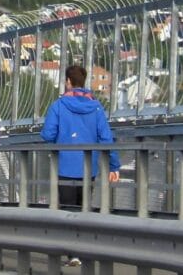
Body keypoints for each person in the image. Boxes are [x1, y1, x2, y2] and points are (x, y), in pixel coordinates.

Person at [41, 65, 121, 267]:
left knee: (68, 211)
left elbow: (48, 135)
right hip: (89, 168)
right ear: (84, 82)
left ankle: (72, 253)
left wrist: (60, 141)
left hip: (65, 166)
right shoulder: (96, 107)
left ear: (68, 81)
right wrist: (114, 166)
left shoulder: (58, 105)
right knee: (84, 209)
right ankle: (83, 249)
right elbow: (106, 138)